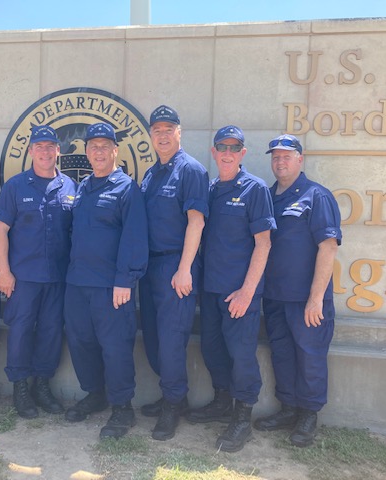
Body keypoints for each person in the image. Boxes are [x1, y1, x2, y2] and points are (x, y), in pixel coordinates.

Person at [187, 126, 276, 452]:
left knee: (241, 356)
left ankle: (242, 417)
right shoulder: (209, 189)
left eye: (234, 147)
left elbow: (264, 244)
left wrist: (247, 291)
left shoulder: (255, 189)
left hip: (239, 294)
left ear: (242, 153)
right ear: (213, 152)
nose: (227, 152)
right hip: (210, 291)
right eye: (221, 147)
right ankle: (222, 401)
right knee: (212, 350)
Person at [254, 134, 342, 448]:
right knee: (283, 354)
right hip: (274, 296)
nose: (280, 161)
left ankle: (308, 414)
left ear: (299, 159)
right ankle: (288, 408)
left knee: (310, 356)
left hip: (306, 299)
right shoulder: (265, 196)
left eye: (286, 156)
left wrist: (316, 298)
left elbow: (328, 248)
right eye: (275, 156)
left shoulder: (316, 196)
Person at [63, 122, 148, 440]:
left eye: (104, 146)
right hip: (77, 283)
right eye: (93, 146)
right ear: (87, 152)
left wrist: (125, 280)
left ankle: (122, 407)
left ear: (115, 151)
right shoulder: (83, 188)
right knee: (81, 343)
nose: (98, 151)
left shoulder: (127, 188)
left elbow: (135, 237)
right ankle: (95, 393)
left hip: (111, 287)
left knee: (115, 348)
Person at [0, 125, 76, 419]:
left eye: (50, 146)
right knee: (21, 331)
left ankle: (42, 385)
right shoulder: (16, 187)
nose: (44, 151)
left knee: (52, 332)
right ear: (30, 152)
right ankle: (21, 388)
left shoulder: (69, 186)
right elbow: (0, 231)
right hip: (24, 277)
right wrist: (4, 271)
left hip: (58, 277)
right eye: (38, 146)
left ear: (58, 151)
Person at [139, 105, 209, 441]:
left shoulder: (191, 170)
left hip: (175, 266)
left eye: (169, 129)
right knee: (153, 337)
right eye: (157, 130)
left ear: (179, 132)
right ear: (150, 135)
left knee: (170, 339)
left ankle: (174, 403)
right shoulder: (151, 173)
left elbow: (196, 221)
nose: (163, 135)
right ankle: (171, 394)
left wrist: (184, 269)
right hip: (149, 266)